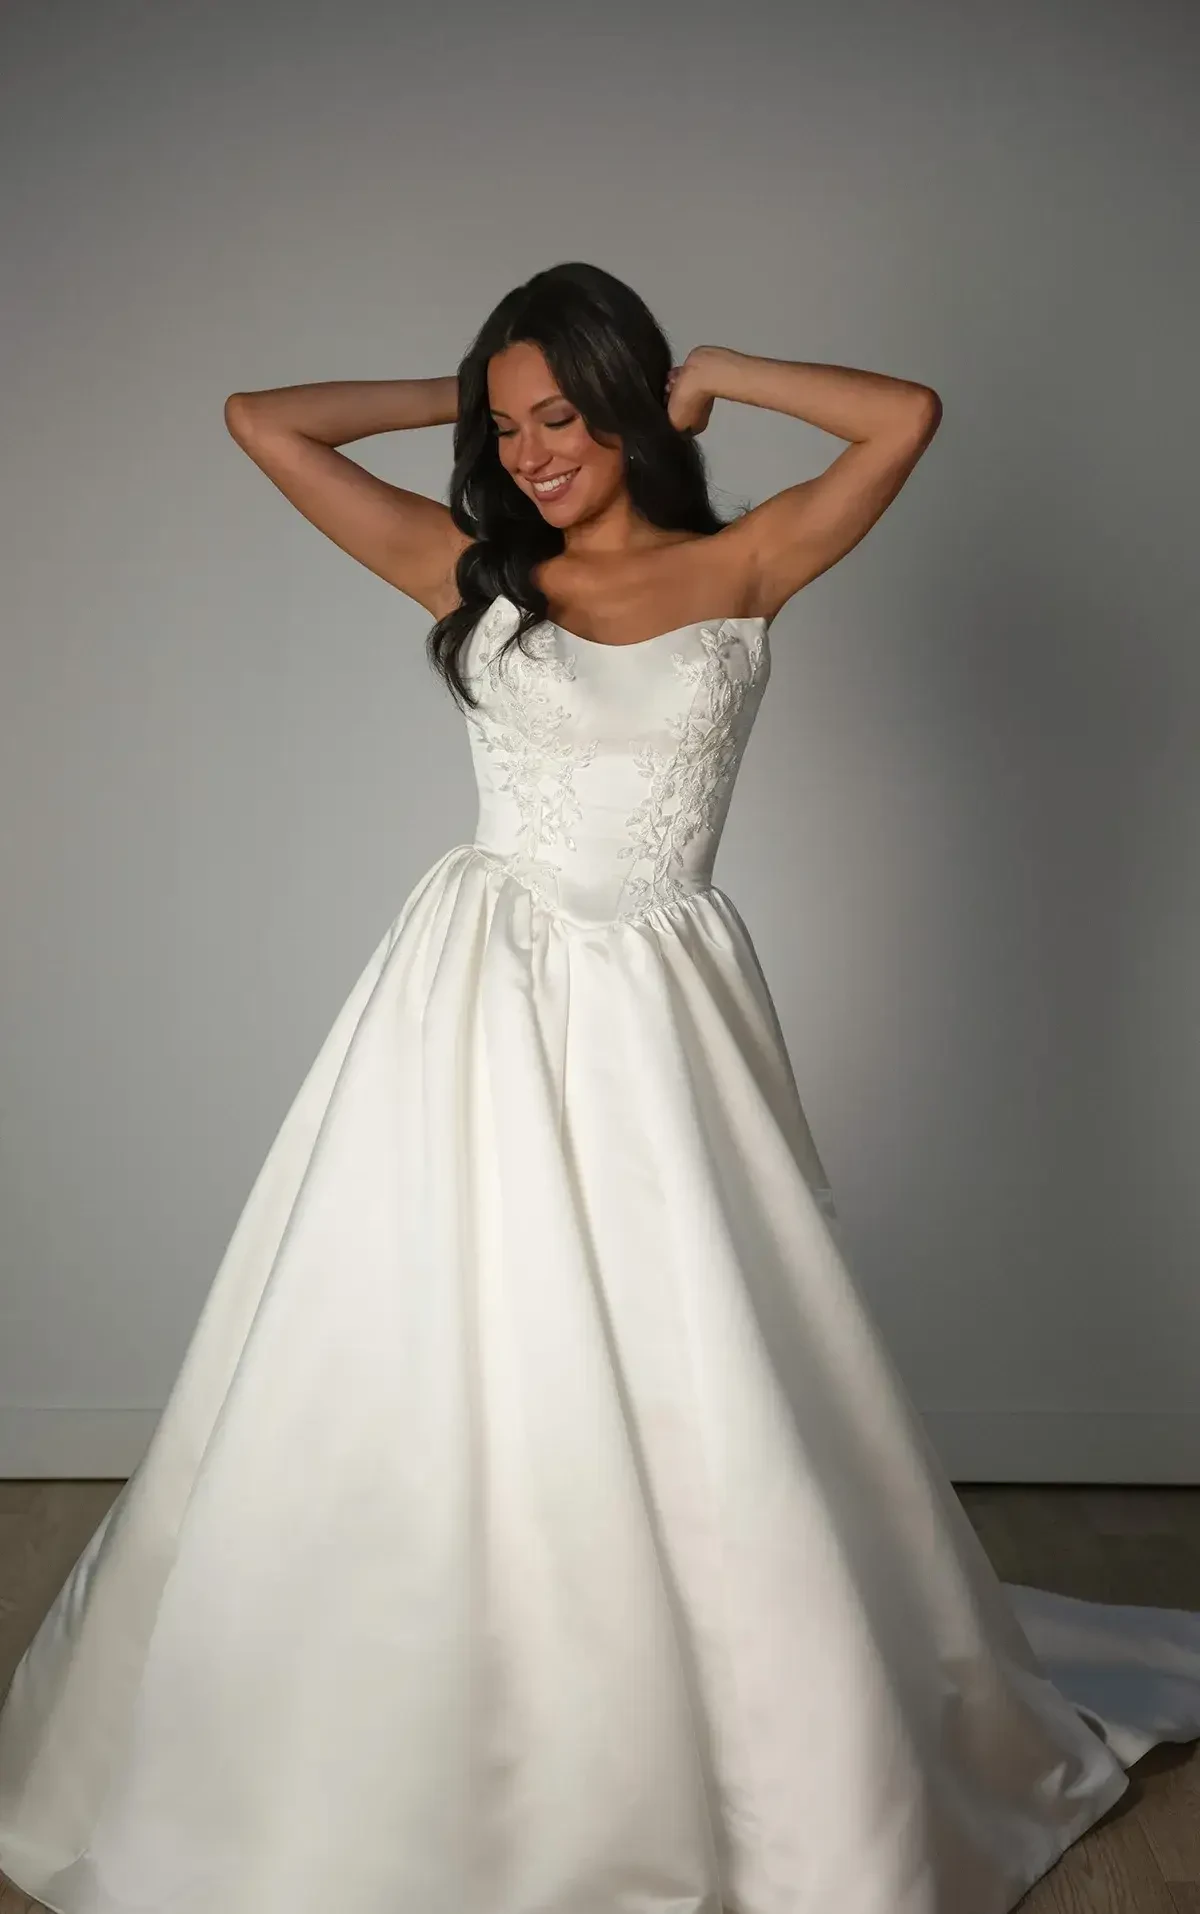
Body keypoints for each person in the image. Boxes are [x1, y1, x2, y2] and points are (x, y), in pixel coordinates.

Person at [0, 260, 1197, 1914]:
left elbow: (906, 418)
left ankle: (717, 1720)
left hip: (661, 1006)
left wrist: (712, 368)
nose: (538, 449)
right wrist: (460, 398)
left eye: (565, 413)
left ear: (631, 403)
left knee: (687, 1348)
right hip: (470, 996)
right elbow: (260, 424)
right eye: (515, 425)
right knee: (436, 1341)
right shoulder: (478, 567)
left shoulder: (749, 560)